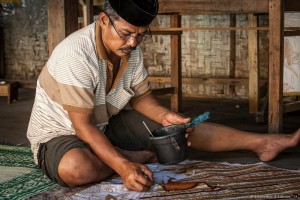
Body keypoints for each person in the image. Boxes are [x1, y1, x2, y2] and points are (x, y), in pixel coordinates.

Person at [27, 0, 300, 192]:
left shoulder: (129, 50)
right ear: (103, 21)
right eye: (126, 34)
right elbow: (82, 126)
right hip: (60, 134)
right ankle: (128, 156)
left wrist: (165, 116)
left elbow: (140, 98)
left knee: (179, 129)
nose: (133, 43)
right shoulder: (75, 54)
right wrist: (123, 166)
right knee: (76, 169)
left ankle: (262, 142)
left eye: (140, 35)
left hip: (104, 126)